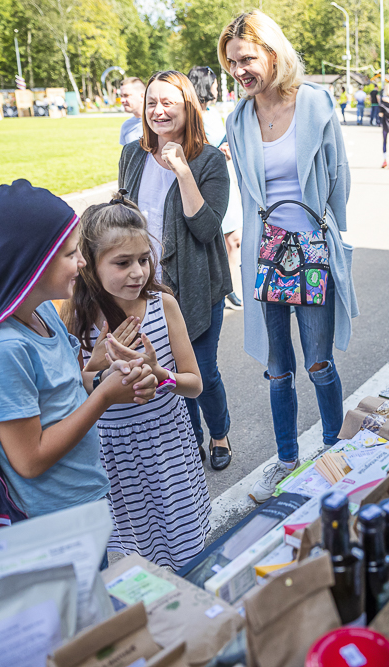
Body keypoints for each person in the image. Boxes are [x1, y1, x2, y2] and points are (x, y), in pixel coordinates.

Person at [0, 180, 158, 571]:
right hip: (52, 529)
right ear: (29, 262)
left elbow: (67, 393)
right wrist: (105, 398)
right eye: (71, 253)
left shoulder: (44, 313)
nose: (82, 262)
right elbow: (29, 459)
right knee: (82, 628)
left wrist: (106, 377)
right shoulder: (6, 349)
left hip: (79, 506)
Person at [220, 11, 358, 503]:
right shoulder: (238, 118)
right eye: (232, 62)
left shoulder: (315, 103)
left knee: (319, 363)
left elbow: (338, 174)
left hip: (314, 250)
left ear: (273, 55)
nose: (239, 70)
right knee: (279, 369)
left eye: (248, 59)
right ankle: (284, 459)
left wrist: (337, 237)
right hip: (266, 255)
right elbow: (240, 188)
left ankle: (333, 449)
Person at [62, 193, 210, 569]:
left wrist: (160, 375)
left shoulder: (164, 305)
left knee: (185, 540)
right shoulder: (76, 317)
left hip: (167, 442)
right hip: (116, 452)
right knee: (138, 551)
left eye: (144, 260)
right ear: (91, 266)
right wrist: (92, 369)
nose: (138, 273)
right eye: (122, 263)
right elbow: (71, 393)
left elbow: (195, 384)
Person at [118, 71, 235, 471]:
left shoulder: (209, 162)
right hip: (147, 289)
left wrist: (183, 171)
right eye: (152, 102)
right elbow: (124, 216)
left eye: (169, 102)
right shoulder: (133, 155)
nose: (158, 110)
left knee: (201, 372)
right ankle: (191, 440)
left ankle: (219, 433)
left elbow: (205, 228)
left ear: (188, 106)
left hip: (197, 288)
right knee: (167, 372)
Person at [187, 65, 245, 312]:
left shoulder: (212, 113)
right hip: (204, 183)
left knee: (234, 239)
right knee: (218, 239)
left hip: (224, 177)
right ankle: (222, 288)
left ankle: (229, 286)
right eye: (214, 82)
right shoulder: (191, 115)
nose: (217, 86)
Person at [119, 77, 146, 145]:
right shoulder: (126, 126)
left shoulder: (156, 123)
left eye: (126, 95)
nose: (122, 100)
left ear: (142, 96)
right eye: (121, 96)